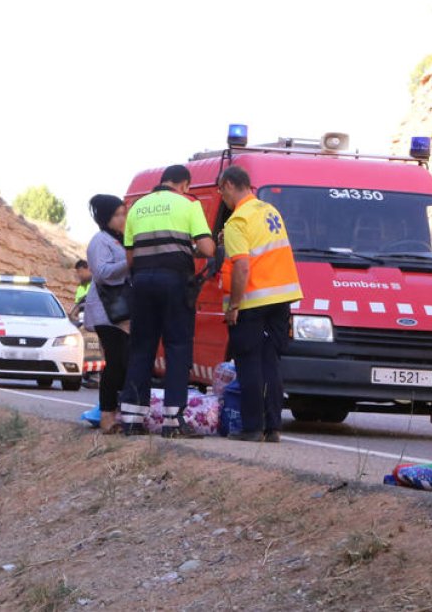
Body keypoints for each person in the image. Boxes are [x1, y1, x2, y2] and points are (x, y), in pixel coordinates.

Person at [121, 165, 216, 437]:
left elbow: (130, 257)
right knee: (177, 348)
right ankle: (173, 422)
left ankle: (131, 418)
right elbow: (207, 249)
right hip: (174, 282)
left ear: (162, 182)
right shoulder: (188, 205)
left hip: (141, 283)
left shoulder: (137, 207)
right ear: (184, 185)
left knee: (141, 348)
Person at [217, 165, 303, 443]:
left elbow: (242, 266)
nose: (222, 198)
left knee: (249, 364)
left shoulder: (237, 221)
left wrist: (234, 306)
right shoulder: (268, 210)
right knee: (271, 364)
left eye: (221, 191)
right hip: (281, 298)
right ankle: (273, 427)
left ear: (229, 185)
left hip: (253, 301)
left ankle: (252, 428)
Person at [84, 195, 130, 434]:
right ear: (105, 217)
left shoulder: (121, 240)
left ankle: (117, 413)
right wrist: (129, 264)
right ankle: (107, 416)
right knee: (116, 363)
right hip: (106, 311)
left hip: (123, 312)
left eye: (124, 213)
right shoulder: (100, 241)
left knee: (124, 363)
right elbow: (102, 273)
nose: (123, 218)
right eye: (117, 214)